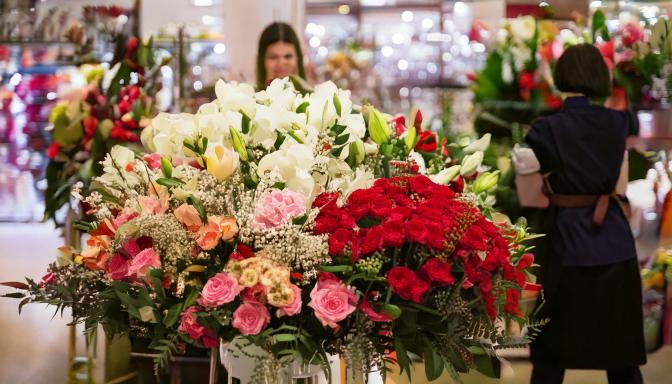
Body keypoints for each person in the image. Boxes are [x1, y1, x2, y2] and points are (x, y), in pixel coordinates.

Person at [516, 44, 647, 384]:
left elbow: (524, 174)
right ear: (601, 78)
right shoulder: (619, 121)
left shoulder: (546, 129)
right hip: (615, 244)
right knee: (621, 358)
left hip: (565, 243)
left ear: (561, 76)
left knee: (550, 359)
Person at [256, 22, 307, 90]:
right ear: (262, 60)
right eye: (273, 57)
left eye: (288, 56)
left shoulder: (312, 98)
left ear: (298, 58)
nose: (281, 63)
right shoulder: (250, 98)